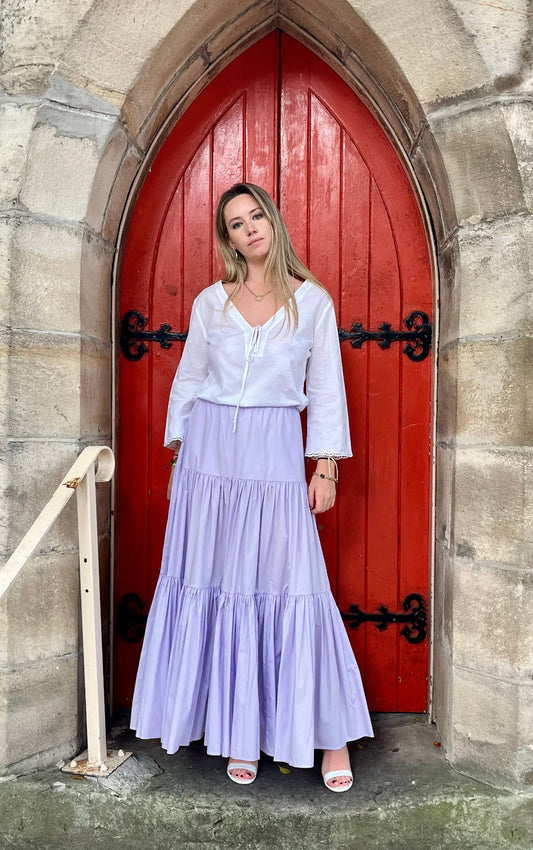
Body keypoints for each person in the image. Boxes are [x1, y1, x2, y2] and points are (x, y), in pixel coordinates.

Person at [131, 182, 373, 792]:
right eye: (236, 224)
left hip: (273, 455)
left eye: (255, 216)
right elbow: (188, 376)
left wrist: (325, 466)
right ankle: (239, 731)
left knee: (292, 585)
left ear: (273, 220)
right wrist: (179, 455)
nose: (249, 229)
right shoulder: (211, 302)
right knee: (219, 582)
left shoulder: (312, 302)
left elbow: (326, 392)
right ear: (228, 238)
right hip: (209, 458)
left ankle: (330, 738)